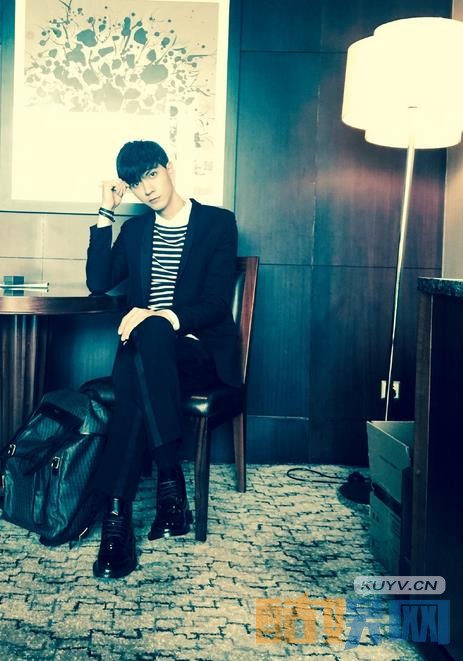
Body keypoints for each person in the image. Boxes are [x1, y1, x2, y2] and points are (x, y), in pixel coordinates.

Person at [86, 140, 241, 579]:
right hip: (146, 355)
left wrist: (162, 316)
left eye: (152, 175)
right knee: (140, 358)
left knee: (147, 335)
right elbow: (98, 282)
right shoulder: (136, 231)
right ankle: (147, 505)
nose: (147, 189)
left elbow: (216, 303)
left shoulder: (217, 223)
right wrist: (106, 212)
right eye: (136, 184)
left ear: (169, 168)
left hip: (196, 349)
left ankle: (127, 511)